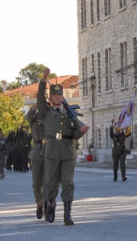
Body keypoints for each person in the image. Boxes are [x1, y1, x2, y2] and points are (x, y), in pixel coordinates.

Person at [37, 68, 89, 226]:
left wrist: (81, 132)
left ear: (62, 96)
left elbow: (74, 134)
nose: (57, 97)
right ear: (51, 97)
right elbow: (40, 98)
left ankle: (67, 214)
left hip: (68, 151)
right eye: (54, 95)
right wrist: (44, 80)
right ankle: (50, 205)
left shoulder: (69, 113)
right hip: (52, 150)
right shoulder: (46, 111)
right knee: (50, 182)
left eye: (59, 94)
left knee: (68, 183)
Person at [27, 102, 48, 220]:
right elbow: (28, 117)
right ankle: (39, 202)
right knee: (36, 182)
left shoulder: (51, 117)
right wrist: (34, 107)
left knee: (48, 181)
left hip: (50, 151)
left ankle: (47, 203)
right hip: (37, 152)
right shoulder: (34, 119)